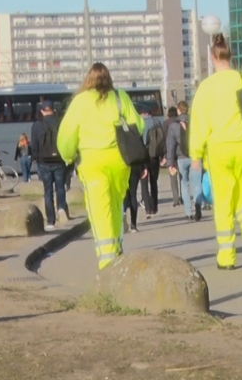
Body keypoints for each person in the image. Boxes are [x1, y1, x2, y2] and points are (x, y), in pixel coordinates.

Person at [57, 63, 144, 269]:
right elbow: (139, 125)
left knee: (99, 211)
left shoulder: (80, 102)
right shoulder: (120, 97)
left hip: (92, 162)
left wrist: (68, 157)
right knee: (115, 206)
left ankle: (107, 262)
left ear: (88, 80)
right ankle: (117, 250)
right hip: (120, 161)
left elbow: (66, 136)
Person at [190, 33, 242, 270]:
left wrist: (196, 154)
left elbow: (199, 124)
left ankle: (226, 257)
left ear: (212, 57)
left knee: (223, 203)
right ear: (230, 56)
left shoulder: (206, 88)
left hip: (219, 149)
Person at [31, 100, 70, 231]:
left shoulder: (37, 125)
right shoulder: (61, 123)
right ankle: (61, 208)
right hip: (59, 160)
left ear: (42, 111)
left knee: (47, 192)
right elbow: (67, 139)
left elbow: (34, 145)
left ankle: (51, 221)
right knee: (60, 188)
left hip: (44, 162)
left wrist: (36, 158)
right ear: (53, 109)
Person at [167, 101, 197, 219]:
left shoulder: (173, 126)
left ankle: (188, 212)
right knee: (196, 183)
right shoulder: (195, 122)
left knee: (184, 184)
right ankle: (198, 208)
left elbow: (170, 145)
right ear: (188, 110)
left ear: (178, 111)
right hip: (194, 156)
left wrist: (170, 163)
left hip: (181, 158)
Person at [140, 108, 166, 218]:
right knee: (154, 182)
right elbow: (161, 141)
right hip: (155, 156)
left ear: (142, 114)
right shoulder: (157, 122)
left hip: (144, 156)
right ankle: (155, 206)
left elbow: (141, 141)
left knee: (144, 183)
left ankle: (148, 208)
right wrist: (162, 156)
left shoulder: (139, 123)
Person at [164, 107, 183, 208]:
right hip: (181, 151)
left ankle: (176, 198)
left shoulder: (166, 124)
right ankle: (183, 196)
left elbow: (164, 140)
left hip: (170, 152)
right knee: (183, 177)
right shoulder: (180, 122)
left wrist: (164, 156)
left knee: (173, 176)